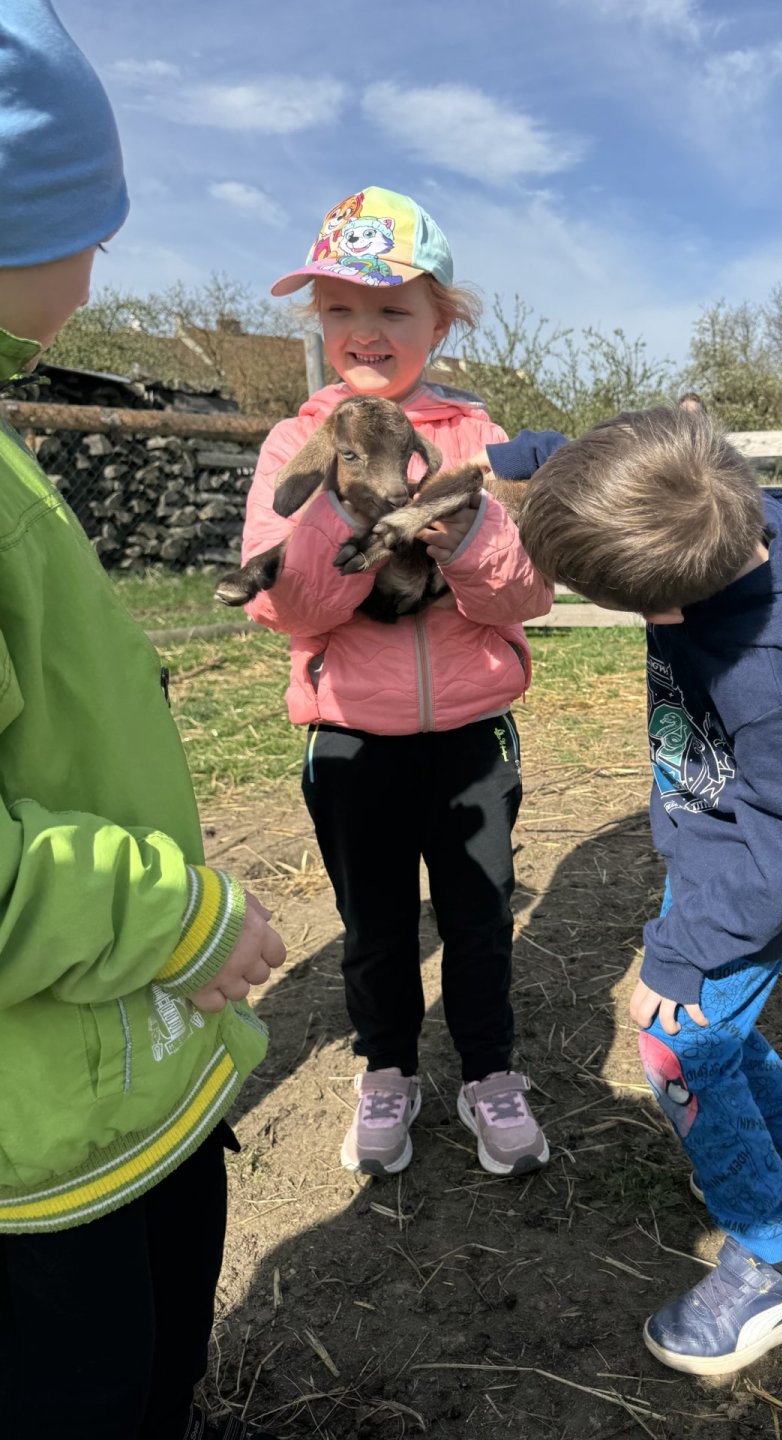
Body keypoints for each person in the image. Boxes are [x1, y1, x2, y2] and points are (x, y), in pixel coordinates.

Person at [0, 6, 288, 1438]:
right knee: (91, 1393)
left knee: (155, 1362)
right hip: (41, 1140)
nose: (98, 261)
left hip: (103, 1070)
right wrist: (178, 916)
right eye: (90, 228)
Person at [485, 407, 782, 1376]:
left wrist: (682, 951)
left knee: (677, 1042)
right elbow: (622, 460)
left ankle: (769, 1258)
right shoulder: (709, 501)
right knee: (712, 1027)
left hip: (755, 869)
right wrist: (514, 461)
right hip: (722, 846)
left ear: (664, 609)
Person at [239, 187, 553, 1180]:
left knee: (478, 920)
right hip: (351, 739)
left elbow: (527, 594)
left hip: (471, 735)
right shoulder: (294, 444)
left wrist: (468, 530)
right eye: (340, 308)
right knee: (375, 928)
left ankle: (490, 1074)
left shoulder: (481, 442)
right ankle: (387, 1071)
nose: (364, 330)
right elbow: (287, 609)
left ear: (440, 320)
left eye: (391, 308)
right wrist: (345, 504)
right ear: (317, 320)